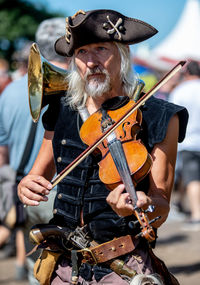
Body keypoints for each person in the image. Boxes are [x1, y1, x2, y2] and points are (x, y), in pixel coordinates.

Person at [18, 9, 188, 285]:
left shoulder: (159, 115)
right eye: (82, 52)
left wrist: (140, 208)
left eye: (100, 49)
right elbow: (36, 176)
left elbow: (161, 206)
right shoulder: (62, 109)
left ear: (122, 54)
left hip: (122, 268)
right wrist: (26, 185)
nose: (91, 61)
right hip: (63, 266)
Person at [0, 17, 70, 283]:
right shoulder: (81, 89)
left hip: (25, 185)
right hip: (61, 189)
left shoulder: (8, 92)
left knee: (37, 267)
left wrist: (9, 182)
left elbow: (2, 148)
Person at [170, 60, 200, 230]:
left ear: (186, 73)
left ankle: (196, 215)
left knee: (193, 178)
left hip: (188, 141)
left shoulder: (181, 90)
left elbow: (174, 116)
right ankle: (179, 203)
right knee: (187, 177)